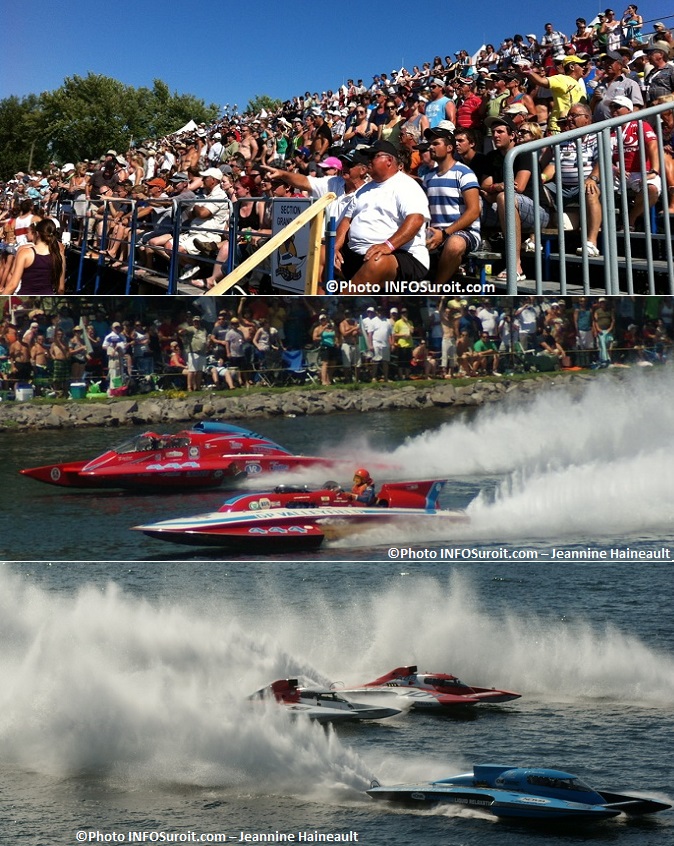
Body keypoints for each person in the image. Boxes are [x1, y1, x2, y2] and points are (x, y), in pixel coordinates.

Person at [334, 140, 430, 284]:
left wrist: (388, 245)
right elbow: (347, 220)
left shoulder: (406, 186)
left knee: (376, 262)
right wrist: (335, 248)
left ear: (389, 160)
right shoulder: (363, 190)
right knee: (323, 255)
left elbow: (415, 220)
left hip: (401, 255)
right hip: (358, 254)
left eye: (373, 156)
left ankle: (339, 305)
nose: (368, 160)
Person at [423, 124, 481, 283]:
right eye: (430, 144)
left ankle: (437, 289)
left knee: (454, 244)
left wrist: (445, 233)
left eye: (436, 143)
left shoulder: (464, 173)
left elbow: (474, 211)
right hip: (436, 232)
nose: (430, 147)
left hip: (464, 232)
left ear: (449, 148)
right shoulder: (428, 177)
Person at [1, 219, 65, 295]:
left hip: (26, 300)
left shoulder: (25, 253)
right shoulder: (59, 256)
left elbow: (13, 285)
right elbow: (61, 289)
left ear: (37, 233)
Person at [179, 315, 209, 391]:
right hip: (193, 352)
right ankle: (189, 387)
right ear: (193, 322)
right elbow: (184, 331)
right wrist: (182, 331)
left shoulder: (203, 330)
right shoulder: (191, 329)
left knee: (199, 371)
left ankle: (197, 386)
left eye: (197, 321)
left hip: (202, 353)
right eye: (195, 321)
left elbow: (205, 339)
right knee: (192, 371)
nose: (196, 323)